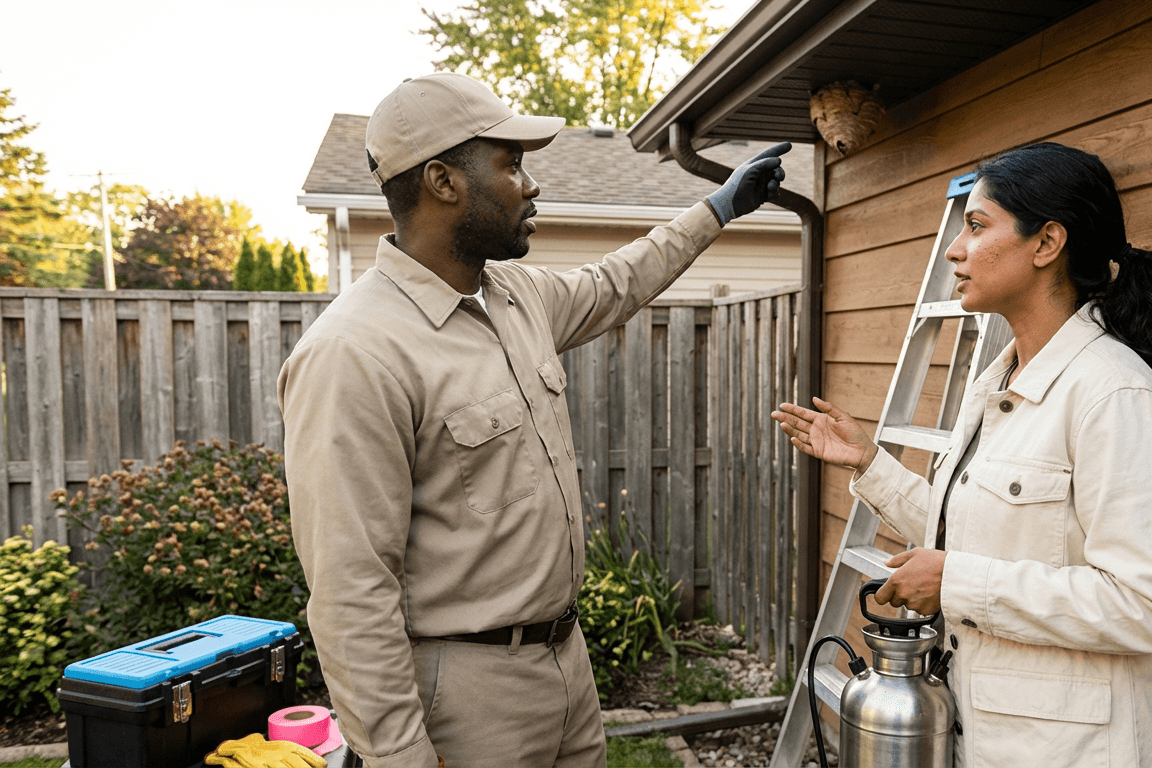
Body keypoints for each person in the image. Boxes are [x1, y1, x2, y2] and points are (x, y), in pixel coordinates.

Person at [278, 72, 789, 768]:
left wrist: (719, 207)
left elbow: (618, 282)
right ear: (442, 181)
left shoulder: (514, 296)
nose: (531, 183)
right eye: (511, 163)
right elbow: (349, 592)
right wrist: (397, 754)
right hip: (463, 699)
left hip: (567, 672)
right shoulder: (354, 353)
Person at [773, 142, 1152, 768]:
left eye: (976, 226)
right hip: (993, 739)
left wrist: (954, 581)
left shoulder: (1114, 394)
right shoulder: (996, 384)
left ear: (1046, 243)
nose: (954, 249)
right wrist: (869, 463)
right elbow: (981, 534)